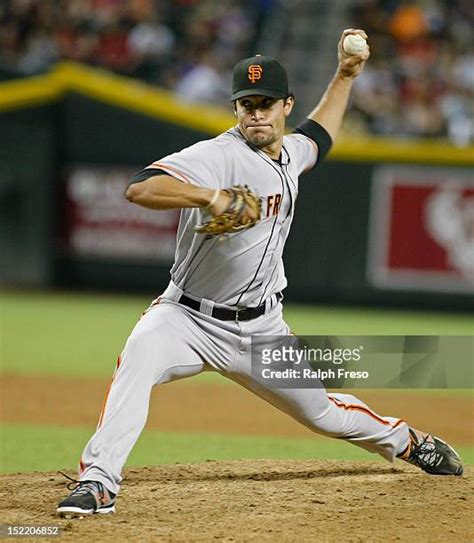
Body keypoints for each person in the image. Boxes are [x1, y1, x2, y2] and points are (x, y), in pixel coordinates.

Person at [57, 29, 463, 518]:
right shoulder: (216, 155)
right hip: (186, 318)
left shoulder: (290, 154)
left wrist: (345, 75)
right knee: (137, 361)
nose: (255, 112)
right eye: (246, 103)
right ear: (235, 109)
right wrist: (209, 196)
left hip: (260, 329)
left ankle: (406, 441)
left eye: (265, 102)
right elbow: (140, 189)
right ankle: (99, 482)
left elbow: (321, 134)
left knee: (324, 415)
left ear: (285, 105)